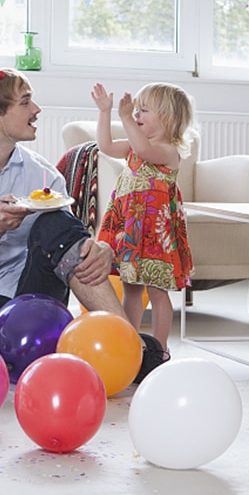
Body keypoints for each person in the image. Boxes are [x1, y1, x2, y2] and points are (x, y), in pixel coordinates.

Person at [0, 48, 165, 382]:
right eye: (25, 102)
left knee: (54, 220)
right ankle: (79, 350)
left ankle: (127, 345)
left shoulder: (44, 176)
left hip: (31, 295)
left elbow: (67, 238)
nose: (37, 110)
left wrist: (101, 248)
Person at [91, 81, 194, 360]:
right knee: (131, 288)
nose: (136, 115)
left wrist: (125, 118)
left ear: (168, 119)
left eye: (143, 110)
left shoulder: (168, 151)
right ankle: (129, 340)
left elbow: (146, 152)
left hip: (154, 233)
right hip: (130, 228)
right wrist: (106, 111)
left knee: (157, 291)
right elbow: (106, 145)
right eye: (136, 110)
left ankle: (159, 348)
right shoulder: (134, 146)